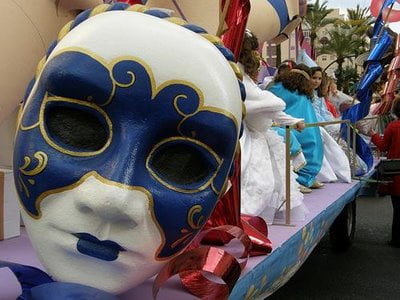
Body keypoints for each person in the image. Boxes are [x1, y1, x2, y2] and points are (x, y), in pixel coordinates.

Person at [239, 31, 308, 223]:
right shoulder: (240, 75)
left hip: (247, 129)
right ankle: (246, 215)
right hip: (247, 134)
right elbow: (266, 104)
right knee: (258, 177)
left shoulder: (235, 71)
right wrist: (293, 121)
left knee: (262, 175)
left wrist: (292, 121)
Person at [268, 64, 324, 189]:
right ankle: (301, 179)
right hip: (290, 125)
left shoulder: (277, 86)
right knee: (312, 141)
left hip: (289, 124)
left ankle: (305, 178)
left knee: (313, 139)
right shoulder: (303, 91)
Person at [309, 66, 351, 183]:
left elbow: (325, 113)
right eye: (314, 78)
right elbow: (312, 113)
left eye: (319, 78)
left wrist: (333, 121)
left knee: (342, 128)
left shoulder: (319, 96)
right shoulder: (306, 95)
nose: (317, 81)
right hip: (314, 125)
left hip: (324, 123)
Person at [369, 98, 400, 247]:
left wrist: (373, 135)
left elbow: (383, 145)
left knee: (398, 209)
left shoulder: (393, 127)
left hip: (396, 171)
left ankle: (397, 239)